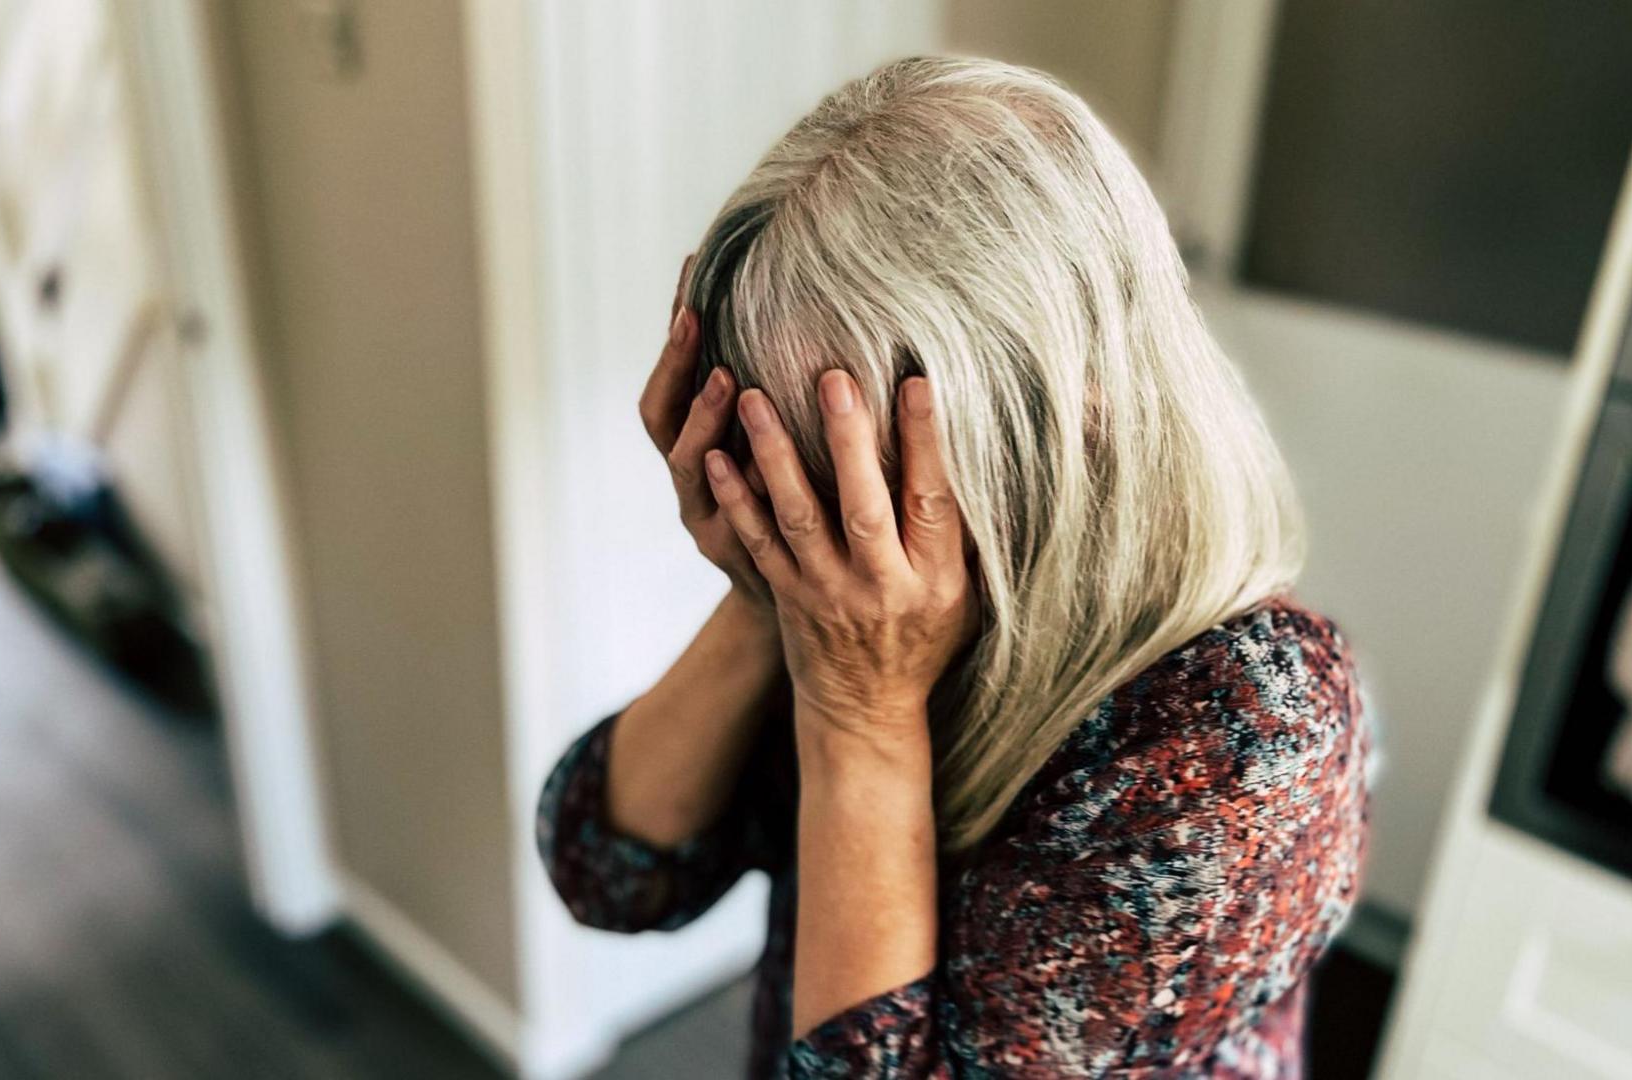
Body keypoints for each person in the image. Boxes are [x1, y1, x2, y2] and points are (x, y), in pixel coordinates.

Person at [537, 56, 1370, 1079]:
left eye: (844, 461)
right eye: (779, 461)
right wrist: (762, 585)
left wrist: (859, 710)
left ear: (1074, 397)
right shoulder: (857, 598)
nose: (819, 521)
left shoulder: (1252, 726)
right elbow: (605, 871)